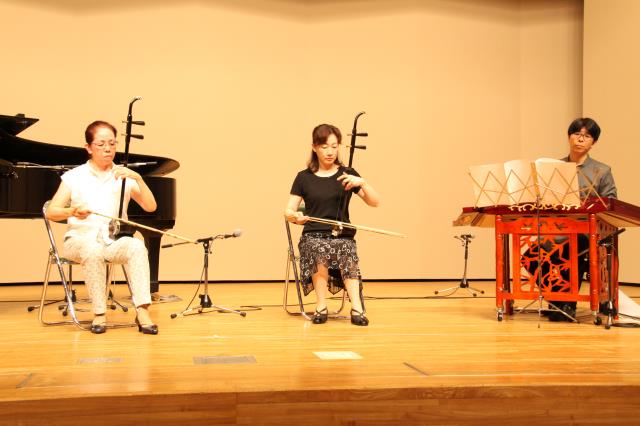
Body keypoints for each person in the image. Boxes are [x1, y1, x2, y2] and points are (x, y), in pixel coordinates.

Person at [46, 121, 159, 335]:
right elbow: (52, 211)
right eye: (101, 144)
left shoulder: (122, 176)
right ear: (88, 147)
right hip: (79, 240)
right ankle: (99, 313)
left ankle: (142, 311)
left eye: (112, 143)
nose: (108, 149)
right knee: (93, 251)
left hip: (112, 241)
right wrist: (72, 211)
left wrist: (138, 179)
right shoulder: (74, 176)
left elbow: (150, 206)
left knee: (136, 246)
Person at [285, 123, 380, 326]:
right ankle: (321, 306)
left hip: (341, 234)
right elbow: (289, 210)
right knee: (318, 248)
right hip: (313, 235)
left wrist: (362, 182)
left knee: (345, 248)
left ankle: (357, 308)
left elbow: (374, 202)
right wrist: (295, 217)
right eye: (324, 147)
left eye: (334, 146)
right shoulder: (304, 177)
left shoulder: (347, 174)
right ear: (314, 147)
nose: (330, 152)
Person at [533, 117, 617, 321]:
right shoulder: (554, 167)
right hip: (557, 228)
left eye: (587, 136)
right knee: (532, 256)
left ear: (593, 142)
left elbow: (611, 201)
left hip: (587, 231)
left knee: (571, 248)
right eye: (577, 134)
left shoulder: (602, 170)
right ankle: (557, 300)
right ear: (569, 137)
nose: (580, 139)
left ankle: (567, 304)